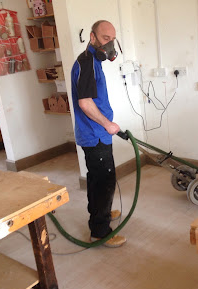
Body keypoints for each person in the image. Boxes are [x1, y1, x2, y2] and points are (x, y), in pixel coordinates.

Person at [70, 20, 126, 247]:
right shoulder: (86, 63)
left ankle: (99, 215)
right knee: (104, 182)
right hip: (95, 133)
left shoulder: (93, 61)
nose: (110, 44)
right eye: (105, 39)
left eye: (112, 39)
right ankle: (99, 232)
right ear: (92, 37)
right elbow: (85, 103)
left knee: (97, 179)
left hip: (97, 133)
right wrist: (108, 124)